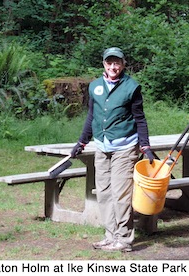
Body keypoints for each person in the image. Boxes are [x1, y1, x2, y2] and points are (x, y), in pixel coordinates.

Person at [70, 47, 154, 252]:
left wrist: (145, 146)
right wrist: (82, 142)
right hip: (102, 146)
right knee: (104, 193)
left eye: (117, 63)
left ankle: (124, 239)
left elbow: (139, 119)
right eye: (109, 63)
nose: (113, 67)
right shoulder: (95, 87)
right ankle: (110, 235)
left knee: (121, 194)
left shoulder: (131, 87)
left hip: (125, 147)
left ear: (123, 64)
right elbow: (92, 116)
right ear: (104, 65)